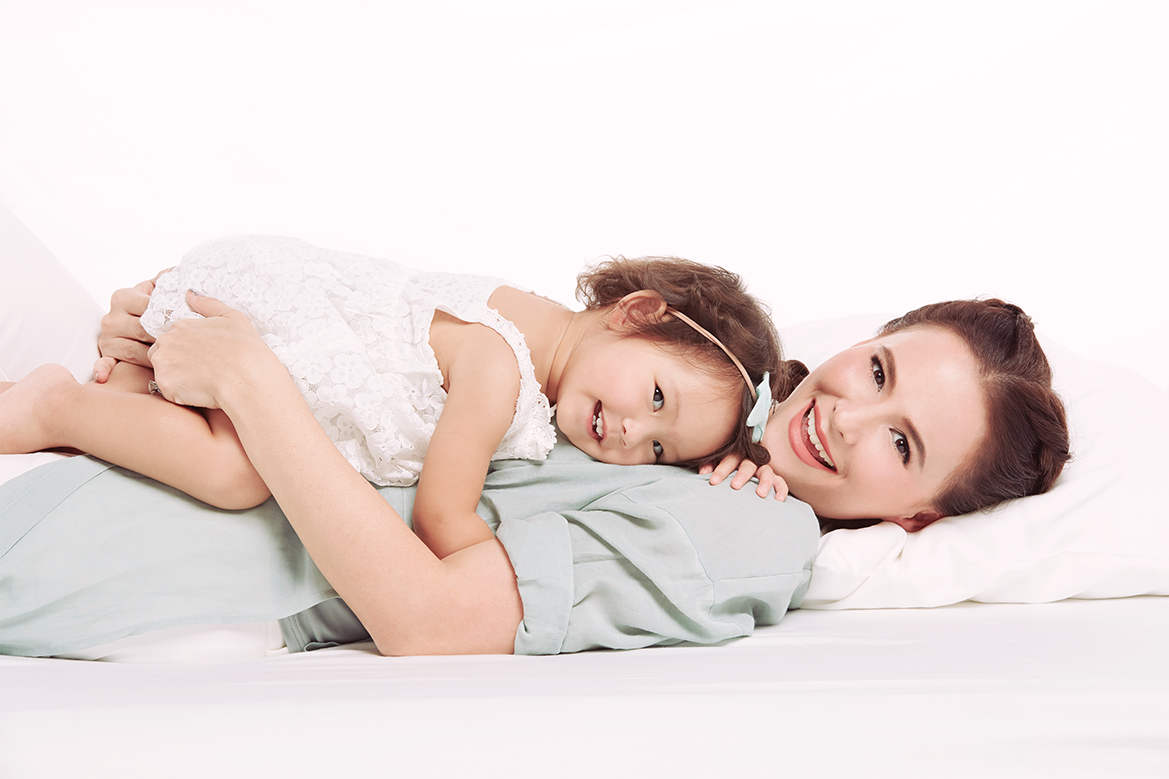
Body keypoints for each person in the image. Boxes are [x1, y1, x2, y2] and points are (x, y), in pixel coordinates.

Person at [0, 267, 1069, 660]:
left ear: (920, 513)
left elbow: (429, 619)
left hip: (100, 557)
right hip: (96, 467)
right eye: (874, 369)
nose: (843, 414)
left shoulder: (754, 525)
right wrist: (169, 335)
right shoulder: (691, 405)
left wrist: (250, 384)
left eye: (900, 443)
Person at [0, 235, 789, 560]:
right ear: (636, 312)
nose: (629, 432)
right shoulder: (501, 365)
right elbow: (443, 515)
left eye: (657, 447)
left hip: (269, 323)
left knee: (149, 433)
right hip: (274, 331)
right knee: (236, 474)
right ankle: (50, 407)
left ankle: (80, 409)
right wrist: (521, 565)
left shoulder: (529, 323)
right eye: (654, 395)